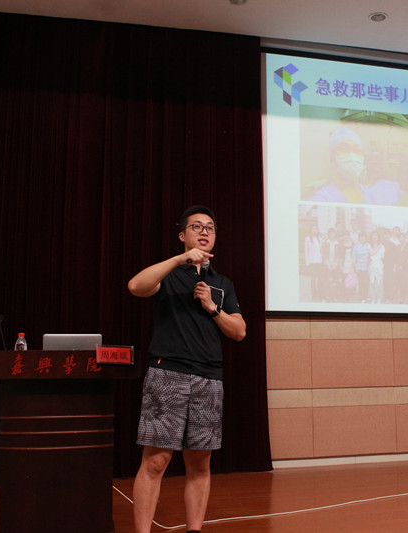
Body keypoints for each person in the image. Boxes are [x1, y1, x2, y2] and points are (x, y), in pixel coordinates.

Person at [127, 205, 247, 533]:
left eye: (210, 227)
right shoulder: (168, 274)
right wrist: (181, 259)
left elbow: (239, 331)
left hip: (209, 378)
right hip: (168, 373)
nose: (205, 232)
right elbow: (136, 286)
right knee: (156, 460)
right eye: (197, 227)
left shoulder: (222, 283)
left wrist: (213, 308)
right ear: (182, 235)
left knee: (200, 461)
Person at [308, 126, 400, 205]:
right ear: (333, 157)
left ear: (363, 156)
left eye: (356, 150)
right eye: (343, 149)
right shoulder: (322, 200)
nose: (351, 155)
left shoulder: (370, 194)